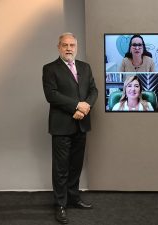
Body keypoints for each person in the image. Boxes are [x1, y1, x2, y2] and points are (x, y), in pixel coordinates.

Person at [42, 32, 98, 224]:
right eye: (65, 45)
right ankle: (60, 204)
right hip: (61, 126)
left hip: (81, 124)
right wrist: (77, 105)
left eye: (72, 45)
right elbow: (52, 95)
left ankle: (73, 199)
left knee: (75, 166)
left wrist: (85, 107)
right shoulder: (50, 69)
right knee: (60, 169)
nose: (68, 49)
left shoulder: (85, 67)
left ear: (76, 47)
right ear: (58, 47)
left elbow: (93, 90)